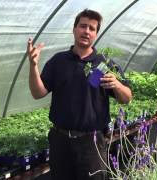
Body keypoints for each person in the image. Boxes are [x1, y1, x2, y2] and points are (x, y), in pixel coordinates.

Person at [27, 9, 132, 180]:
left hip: (91, 143)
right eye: (83, 26)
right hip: (60, 141)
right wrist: (33, 66)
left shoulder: (102, 64)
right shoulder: (59, 61)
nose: (87, 31)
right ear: (74, 29)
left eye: (92, 28)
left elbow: (126, 98)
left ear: (96, 34)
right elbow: (38, 93)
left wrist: (118, 85)